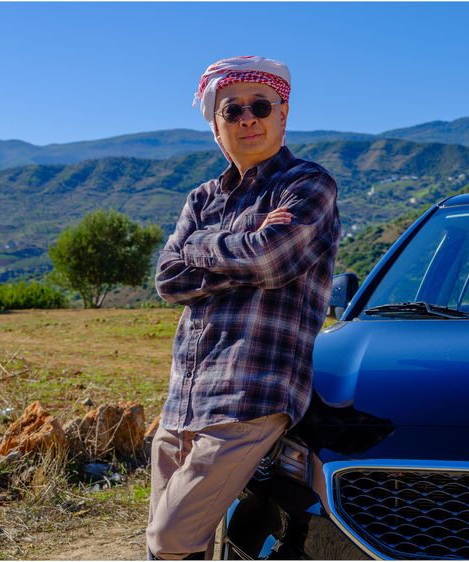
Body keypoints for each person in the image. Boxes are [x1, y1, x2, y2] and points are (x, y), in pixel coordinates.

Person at [146, 56, 341, 560]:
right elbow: (168, 279)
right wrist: (243, 247)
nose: (247, 118)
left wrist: (201, 245)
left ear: (283, 114)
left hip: (251, 393)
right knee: (169, 541)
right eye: (232, 110)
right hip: (184, 395)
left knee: (169, 537)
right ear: (216, 126)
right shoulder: (202, 198)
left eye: (261, 106)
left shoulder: (308, 184)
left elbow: (271, 260)